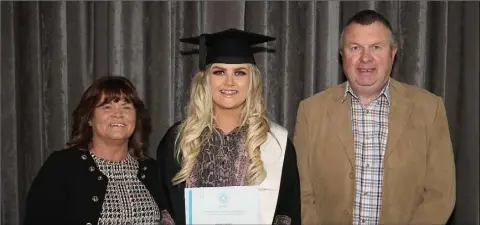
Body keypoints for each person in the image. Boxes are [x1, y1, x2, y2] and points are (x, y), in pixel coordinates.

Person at [293, 9, 455, 225]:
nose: (365, 58)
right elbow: (302, 194)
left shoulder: (429, 109)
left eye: (376, 47)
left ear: (393, 53)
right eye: (355, 48)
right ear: (342, 55)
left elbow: (440, 194)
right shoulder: (310, 112)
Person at [156, 28, 301, 225]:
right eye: (219, 72)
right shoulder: (178, 141)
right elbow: (165, 212)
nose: (229, 82)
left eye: (240, 72)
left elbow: (287, 213)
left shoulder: (275, 143)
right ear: (206, 79)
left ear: (252, 80)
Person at [24, 76, 169, 225]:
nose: (118, 114)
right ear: (89, 118)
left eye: (126, 107)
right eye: (107, 107)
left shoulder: (152, 171)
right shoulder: (61, 167)